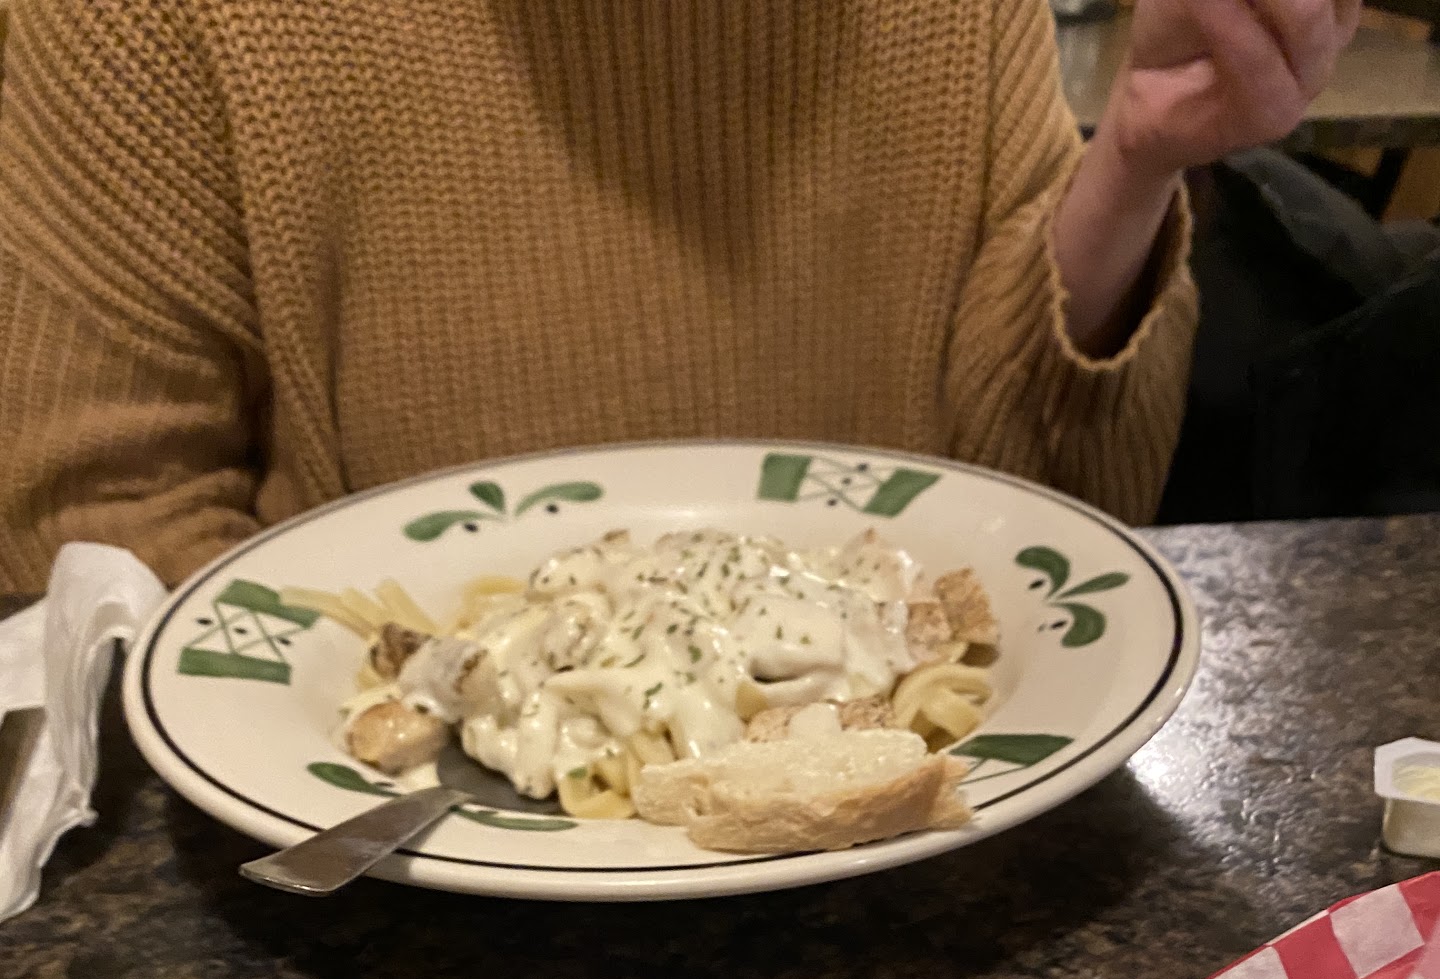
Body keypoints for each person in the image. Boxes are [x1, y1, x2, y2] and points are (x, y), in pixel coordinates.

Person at [0, 0, 1356, 593]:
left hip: (909, 847)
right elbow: (97, 529)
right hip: (381, 882)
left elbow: (1044, 522)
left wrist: (1134, 160)